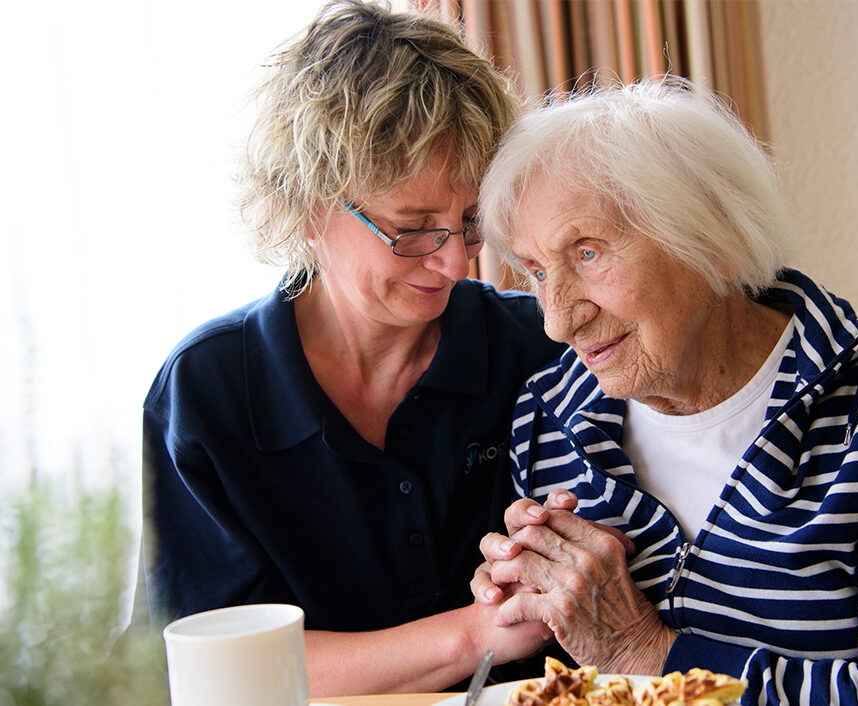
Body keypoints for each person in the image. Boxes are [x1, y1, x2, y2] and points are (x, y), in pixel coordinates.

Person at [471, 78, 858, 704]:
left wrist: (644, 651)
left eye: (588, 253)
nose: (557, 321)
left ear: (714, 239)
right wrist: (533, 590)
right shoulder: (551, 412)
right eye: (536, 271)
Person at [139, 0, 564, 696]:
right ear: (308, 205)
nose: (456, 265)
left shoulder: (537, 350)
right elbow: (225, 665)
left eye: (470, 223)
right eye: (413, 228)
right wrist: (474, 633)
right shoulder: (207, 392)